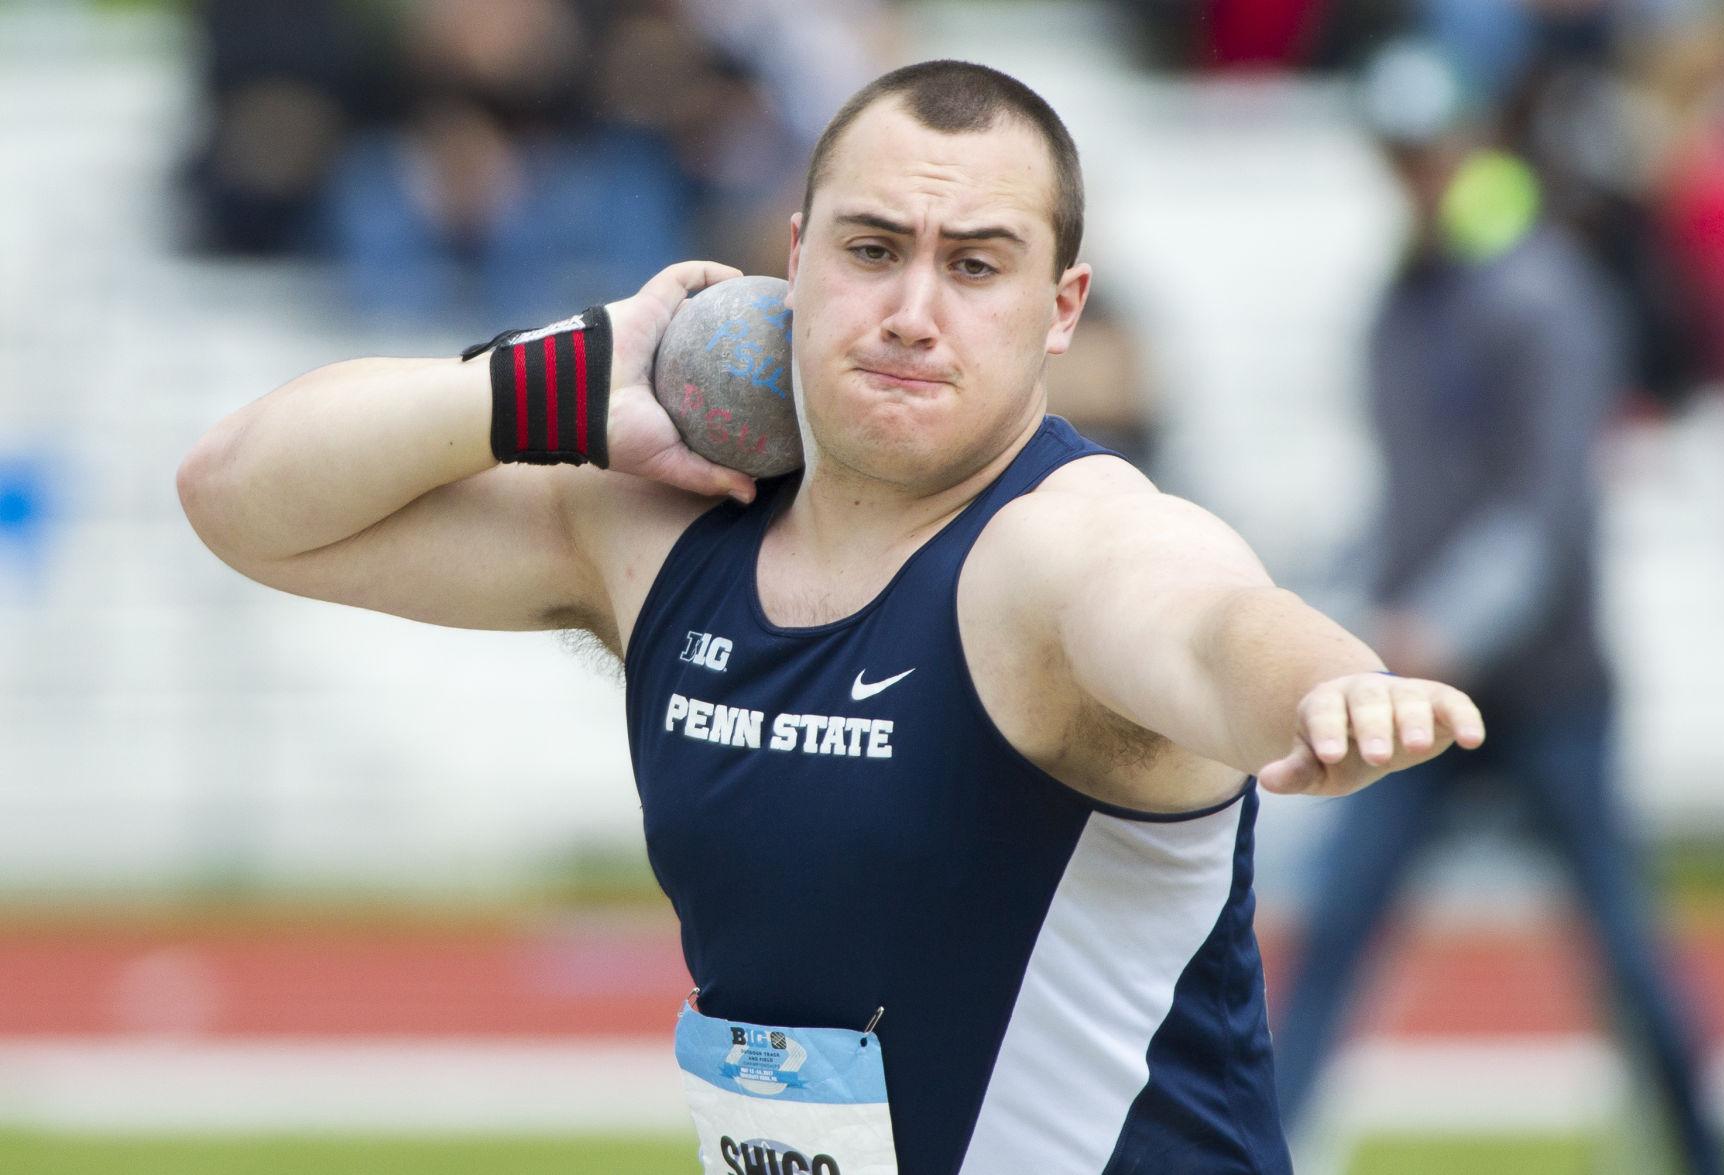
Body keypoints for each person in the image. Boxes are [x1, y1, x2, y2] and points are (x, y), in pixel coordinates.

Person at [179, 59, 1483, 1175]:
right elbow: (241, 496)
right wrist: (565, 379)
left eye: (975, 266)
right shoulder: (655, 531)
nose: (912, 313)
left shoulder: (1053, 549)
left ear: (1059, 311)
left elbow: (1203, 621)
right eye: (871, 250)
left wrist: (1326, 681)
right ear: (792, 258)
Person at [1271, 42, 1724, 1175]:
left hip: (1541, 690)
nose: (1413, 173)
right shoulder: (1399, 299)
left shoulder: (1540, 292)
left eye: (1426, 151)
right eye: (1396, 154)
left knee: (1622, 946)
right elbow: (1403, 497)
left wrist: (1434, 626)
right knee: (1332, 930)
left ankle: (1704, 1153)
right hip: (1416, 692)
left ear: (1468, 147)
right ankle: (1263, 1148)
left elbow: (1544, 514)